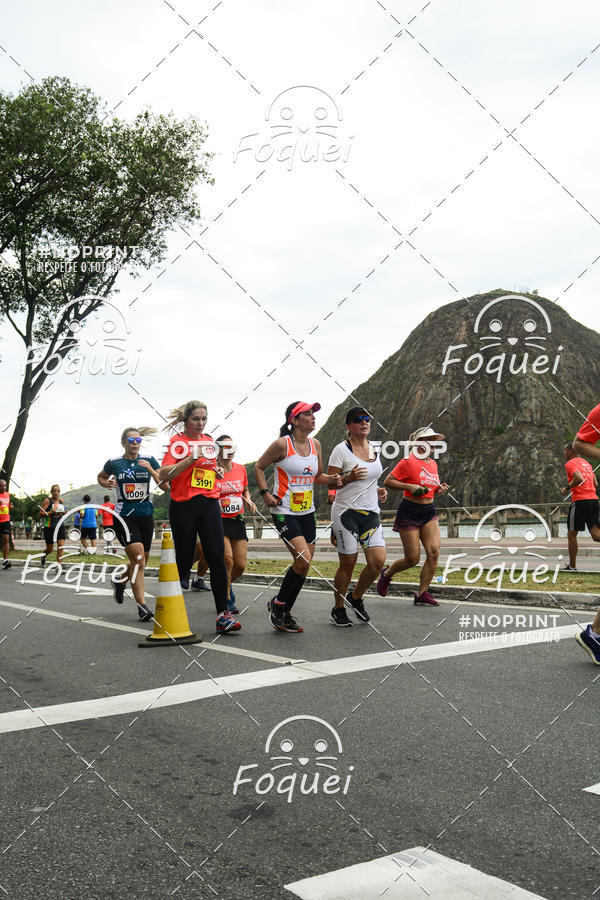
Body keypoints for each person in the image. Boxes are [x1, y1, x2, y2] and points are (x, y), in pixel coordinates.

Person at [255, 401, 342, 633]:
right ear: (294, 420)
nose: (313, 417)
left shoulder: (316, 444)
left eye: (314, 414)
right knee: (303, 559)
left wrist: (332, 480)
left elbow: (318, 476)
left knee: (304, 564)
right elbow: (259, 467)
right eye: (308, 414)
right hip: (284, 511)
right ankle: (279, 605)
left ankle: (284, 610)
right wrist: (265, 494)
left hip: (307, 512)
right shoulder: (282, 444)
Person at [157, 401, 240, 634]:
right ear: (186, 421)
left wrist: (218, 471)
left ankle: (223, 615)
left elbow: (209, 469)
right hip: (183, 506)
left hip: (209, 503)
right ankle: (166, 607)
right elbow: (164, 475)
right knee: (184, 560)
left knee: (217, 557)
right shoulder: (177, 443)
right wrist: (190, 458)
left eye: (204, 419)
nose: (201, 423)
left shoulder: (209, 441)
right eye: (196, 419)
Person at [327, 408, 387, 626]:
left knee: (377, 562)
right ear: (348, 426)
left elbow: (371, 479)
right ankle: (338, 608)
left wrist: (378, 491)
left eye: (367, 419)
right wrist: (348, 478)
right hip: (346, 514)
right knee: (348, 563)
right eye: (358, 419)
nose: (364, 422)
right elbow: (331, 483)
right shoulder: (341, 450)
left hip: (370, 513)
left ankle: (355, 597)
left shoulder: (375, 448)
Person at [377, 427, 450, 606]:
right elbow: (388, 481)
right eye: (430, 440)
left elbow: (431, 486)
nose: (434, 443)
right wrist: (409, 487)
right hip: (409, 511)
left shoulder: (433, 463)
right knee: (412, 559)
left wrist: (439, 490)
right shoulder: (407, 461)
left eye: (435, 440)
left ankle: (422, 593)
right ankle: (386, 574)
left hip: (429, 511)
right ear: (419, 442)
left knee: (434, 553)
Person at [97, 426, 161, 621]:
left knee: (141, 561)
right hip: (124, 516)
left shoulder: (149, 459)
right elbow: (100, 477)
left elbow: (163, 482)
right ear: (123, 443)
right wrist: (106, 483)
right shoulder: (114, 462)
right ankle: (142, 607)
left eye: (138, 440)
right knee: (139, 560)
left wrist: (150, 469)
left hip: (146, 515)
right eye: (131, 440)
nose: (135, 443)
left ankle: (120, 580)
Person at [193, 436, 257, 613]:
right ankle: (226, 598)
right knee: (227, 559)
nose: (229, 451)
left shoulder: (241, 469)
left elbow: (245, 489)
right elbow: (200, 491)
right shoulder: (210, 469)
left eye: (231, 447)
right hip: (218, 519)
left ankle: (226, 584)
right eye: (225, 447)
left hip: (237, 520)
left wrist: (249, 500)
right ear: (217, 450)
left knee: (240, 565)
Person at [560, 442, 600, 571]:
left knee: (571, 534)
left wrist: (566, 488)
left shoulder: (570, 463)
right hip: (593, 499)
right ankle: (572, 566)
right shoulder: (586, 464)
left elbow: (578, 477)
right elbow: (595, 484)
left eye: (565, 450)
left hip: (580, 501)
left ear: (570, 451)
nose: (564, 453)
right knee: (596, 535)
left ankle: (572, 566)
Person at [39, 485, 66, 565]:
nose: (56, 493)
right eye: (54, 491)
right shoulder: (47, 501)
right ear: (51, 492)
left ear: (59, 492)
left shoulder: (61, 501)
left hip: (60, 526)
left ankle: (58, 565)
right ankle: (43, 556)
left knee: (61, 545)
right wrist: (51, 512)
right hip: (49, 527)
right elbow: (40, 514)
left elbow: (62, 512)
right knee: (49, 549)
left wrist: (64, 512)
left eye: (58, 491)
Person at [0, 479, 13, 569]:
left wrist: (11, 507)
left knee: (6, 539)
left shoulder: (7, 495)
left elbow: (8, 506)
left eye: (4, 485)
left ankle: (5, 560)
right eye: (1, 486)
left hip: (5, 520)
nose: (3, 487)